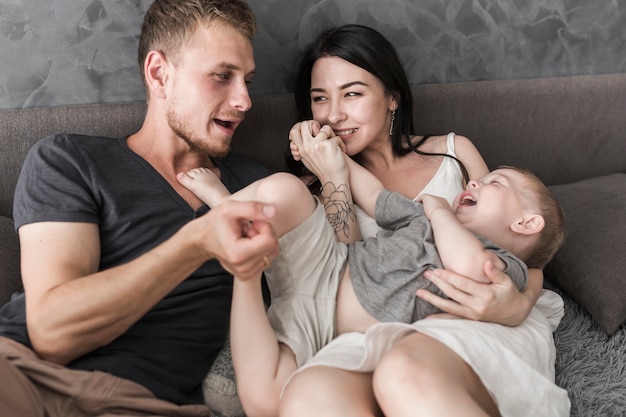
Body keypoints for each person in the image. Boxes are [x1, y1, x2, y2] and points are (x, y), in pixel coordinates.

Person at [0, 1, 279, 416]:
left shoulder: (262, 189)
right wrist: (197, 241)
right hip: (26, 374)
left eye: (247, 81)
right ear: (159, 74)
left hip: (147, 404)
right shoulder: (71, 160)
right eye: (222, 76)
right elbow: (51, 333)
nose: (244, 100)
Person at [280, 24, 571, 416]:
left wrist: (516, 306)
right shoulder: (314, 187)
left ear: (392, 99)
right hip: (381, 328)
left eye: (352, 93)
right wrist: (334, 176)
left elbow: (521, 254)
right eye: (320, 98)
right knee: (314, 397)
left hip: (477, 324)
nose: (334, 114)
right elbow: (346, 272)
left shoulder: (453, 152)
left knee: (408, 375)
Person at [176, 151, 565, 415]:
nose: (476, 183)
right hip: (329, 265)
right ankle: (225, 209)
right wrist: (339, 159)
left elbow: (470, 266)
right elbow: (376, 197)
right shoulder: (418, 217)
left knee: (265, 399)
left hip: (324, 328)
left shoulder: (504, 263)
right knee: (285, 189)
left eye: (494, 182)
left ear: (526, 224)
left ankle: (243, 264)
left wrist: (440, 209)